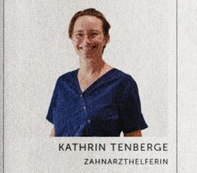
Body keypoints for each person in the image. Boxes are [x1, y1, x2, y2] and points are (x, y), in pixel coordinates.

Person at [46, 8, 148, 138]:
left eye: (93, 34)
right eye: (79, 34)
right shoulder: (63, 83)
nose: (86, 41)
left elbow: (133, 137)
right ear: (71, 37)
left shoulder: (122, 84)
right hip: (61, 159)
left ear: (106, 38)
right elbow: (56, 131)